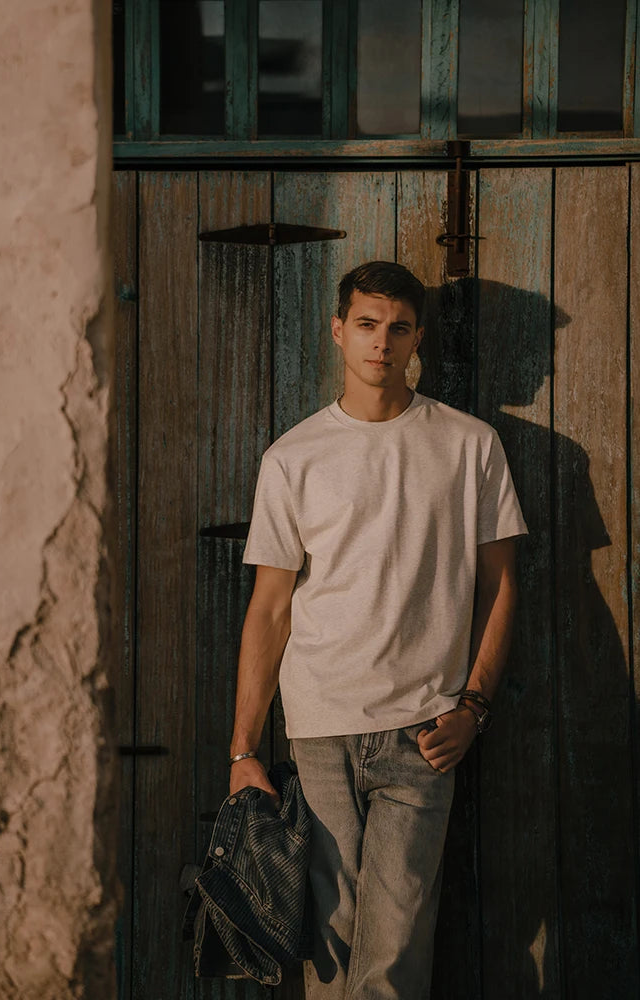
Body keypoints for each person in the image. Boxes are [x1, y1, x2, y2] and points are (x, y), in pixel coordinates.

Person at [228, 260, 527, 999]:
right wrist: (242, 749)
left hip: (423, 732)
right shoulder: (293, 458)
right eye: (366, 324)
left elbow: (502, 588)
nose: (381, 343)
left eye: (398, 328)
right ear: (338, 330)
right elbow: (269, 609)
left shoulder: (470, 446)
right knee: (329, 950)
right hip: (321, 729)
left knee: (392, 956)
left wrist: (474, 709)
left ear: (418, 336)